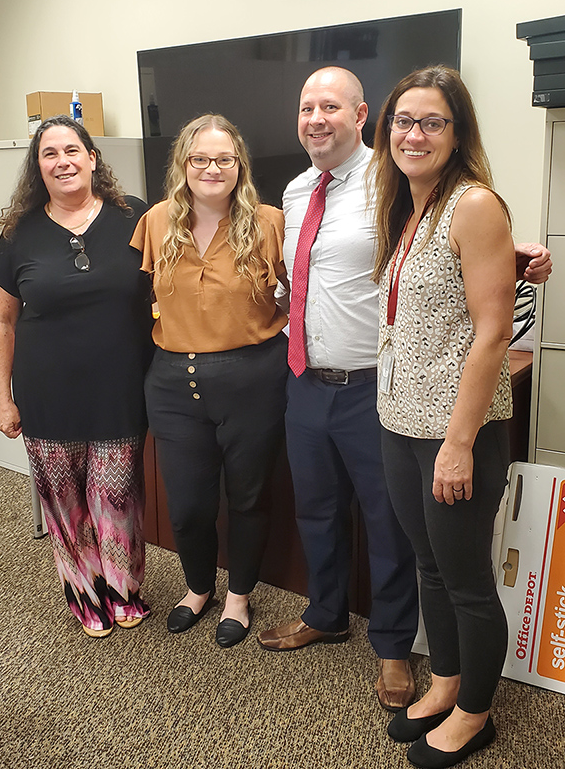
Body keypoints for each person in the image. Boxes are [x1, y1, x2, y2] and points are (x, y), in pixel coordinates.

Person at [257, 66, 552, 711]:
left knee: (401, 536)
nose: (316, 119)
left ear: (362, 115)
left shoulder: (396, 183)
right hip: (313, 379)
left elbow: (480, 297)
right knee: (324, 513)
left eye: (330, 106)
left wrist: (515, 263)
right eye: (306, 106)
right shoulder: (308, 189)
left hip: (381, 388)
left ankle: (396, 651)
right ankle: (329, 613)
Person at [371, 65, 514, 768]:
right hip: (400, 422)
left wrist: (459, 444)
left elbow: (492, 333)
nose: (414, 133)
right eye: (404, 120)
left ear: (457, 134)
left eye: (432, 122)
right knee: (429, 567)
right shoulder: (410, 205)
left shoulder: (474, 204)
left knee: (466, 582)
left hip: (455, 433)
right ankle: (450, 681)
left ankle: (476, 716)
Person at [0, 115, 154, 638]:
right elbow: (1, 320)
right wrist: (3, 399)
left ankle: (123, 590)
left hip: (120, 389)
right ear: (38, 167)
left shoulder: (137, 217)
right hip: (47, 392)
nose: (62, 161)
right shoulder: (20, 234)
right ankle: (85, 596)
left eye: (71, 150)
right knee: (63, 501)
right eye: (49, 154)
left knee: (117, 496)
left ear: (92, 158)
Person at [131, 114, 288, 648]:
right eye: (199, 158)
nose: (211, 168)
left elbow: (307, 290)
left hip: (252, 379)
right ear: (183, 165)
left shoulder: (271, 222)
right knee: (189, 503)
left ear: (238, 165)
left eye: (223, 158)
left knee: (247, 496)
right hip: (173, 382)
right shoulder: (155, 221)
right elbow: (135, 297)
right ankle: (198, 588)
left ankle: (239, 596)